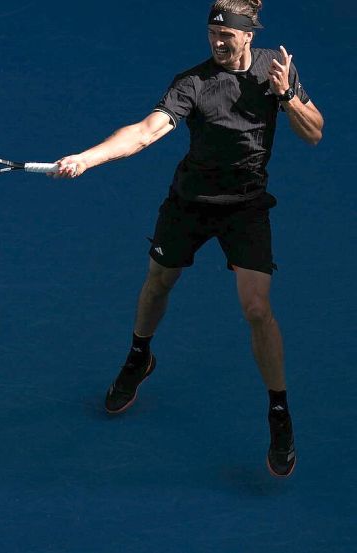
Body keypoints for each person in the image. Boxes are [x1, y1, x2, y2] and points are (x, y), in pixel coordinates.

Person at [51, 0, 323, 478]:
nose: (217, 42)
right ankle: (140, 356)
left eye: (227, 35)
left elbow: (314, 132)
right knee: (159, 281)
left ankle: (279, 412)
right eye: (212, 33)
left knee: (257, 308)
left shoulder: (276, 71)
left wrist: (286, 96)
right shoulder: (193, 83)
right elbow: (144, 132)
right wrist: (88, 158)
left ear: (248, 35)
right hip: (190, 203)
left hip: (246, 207)